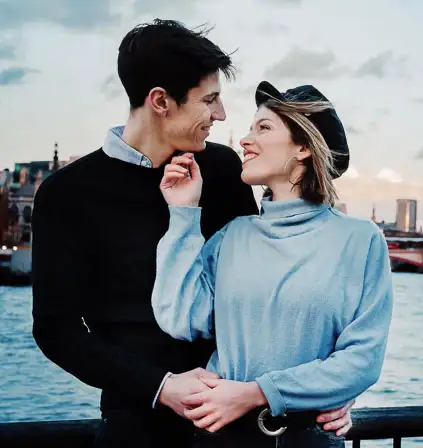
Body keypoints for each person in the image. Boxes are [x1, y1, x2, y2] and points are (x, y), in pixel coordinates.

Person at [31, 19, 354, 448]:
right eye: (210, 100)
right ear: (161, 101)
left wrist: (324, 388)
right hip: (138, 428)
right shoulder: (66, 193)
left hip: (242, 426)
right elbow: (57, 331)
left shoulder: (223, 170)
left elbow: (275, 292)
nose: (220, 115)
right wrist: (162, 387)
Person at [152, 80, 394, 448]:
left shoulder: (361, 241)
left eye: (263, 127)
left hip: (309, 439)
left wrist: (257, 393)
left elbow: (361, 360)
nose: (245, 140)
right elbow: (181, 319)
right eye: (250, 128)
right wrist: (183, 214)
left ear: (303, 148)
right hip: (220, 439)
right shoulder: (232, 237)